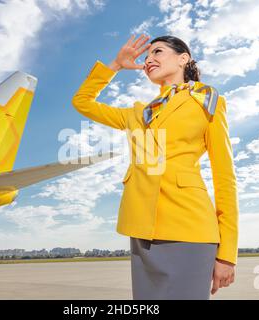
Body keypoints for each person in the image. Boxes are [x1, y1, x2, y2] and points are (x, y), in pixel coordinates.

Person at [71, 34, 239, 300]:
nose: (149, 60)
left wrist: (227, 255)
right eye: (146, 57)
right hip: (141, 230)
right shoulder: (138, 113)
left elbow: (225, 178)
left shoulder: (206, 102)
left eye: (158, 52)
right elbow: (82, 102)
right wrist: (115, 64)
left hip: (189, 228)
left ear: (183, 58)